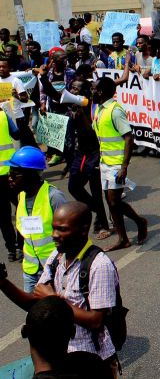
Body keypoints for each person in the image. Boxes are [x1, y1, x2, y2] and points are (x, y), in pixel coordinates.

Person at [0, 202, 122, 375]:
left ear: (83, 229)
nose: (54, 235)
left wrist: (54, 300)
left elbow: (96, 320)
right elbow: (35, 305)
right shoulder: (56, 257)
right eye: (53, 228)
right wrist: (3, 282)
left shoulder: (99, 265)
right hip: (62, 358)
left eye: (62, 230)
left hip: (93, 361)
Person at [38, 70, 111, 240]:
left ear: (85, 92)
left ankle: (102, 224)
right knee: (73, 187)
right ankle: (96, 209)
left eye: (78, 89)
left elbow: (89, 128)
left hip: (93, 151)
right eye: (73, 88)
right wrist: (42, 77)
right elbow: (54, 94)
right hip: (80, 152)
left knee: (95, 190)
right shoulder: (73, 104)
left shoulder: (88, 104)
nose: (74, 91)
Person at [91, 77, 148, 251]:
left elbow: (129, 138)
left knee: (114, 201)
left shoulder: (115, 110)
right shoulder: (100, 110)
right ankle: (123, 239)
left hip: (116, 164)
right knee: (111, 202)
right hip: (105, 163)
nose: (91, 91)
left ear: (100, 92)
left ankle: (139, 222)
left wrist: (124, 167)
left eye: (94, 88)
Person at [7, 146, 68, 292]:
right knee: (33, 313)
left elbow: (70, 233)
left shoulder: (54, 197)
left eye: (14, 175)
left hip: (54, 269)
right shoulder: (21, 196)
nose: (10, 178)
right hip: (31, 270)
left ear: (30, 175)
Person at [0, 106, 19, 262]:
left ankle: (11, 249)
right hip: (11, 173)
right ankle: (21, 244)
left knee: (3, 217)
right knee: (21, 208)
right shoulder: (3, 115)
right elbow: (16, 134)